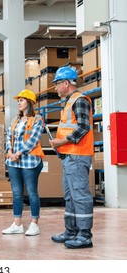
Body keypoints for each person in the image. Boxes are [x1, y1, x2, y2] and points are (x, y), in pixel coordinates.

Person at [49, 66, 94, 249]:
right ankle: (71, 231)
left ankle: (85, 235)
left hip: (77, 155)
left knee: (80, 196)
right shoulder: (69, 102)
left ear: (66, 83)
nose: (55, 88)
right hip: (69, 157)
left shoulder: (79, 100)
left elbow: (83, 128)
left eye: (57, 84)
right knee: (70, 197)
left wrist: (61, 142)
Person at [2, 89, 44, 236]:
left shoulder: (37, 119)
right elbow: (8, 137)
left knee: (32, 192)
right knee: (17, 193)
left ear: (30, 102)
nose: (18, 102)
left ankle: (34, 224)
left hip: (30, 161)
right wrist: (9, 152)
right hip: (13, 162)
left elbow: (33, 139)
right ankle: (17, 224)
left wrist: (18, 153)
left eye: (21, 100)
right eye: (18, 100)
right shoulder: (15, 120)